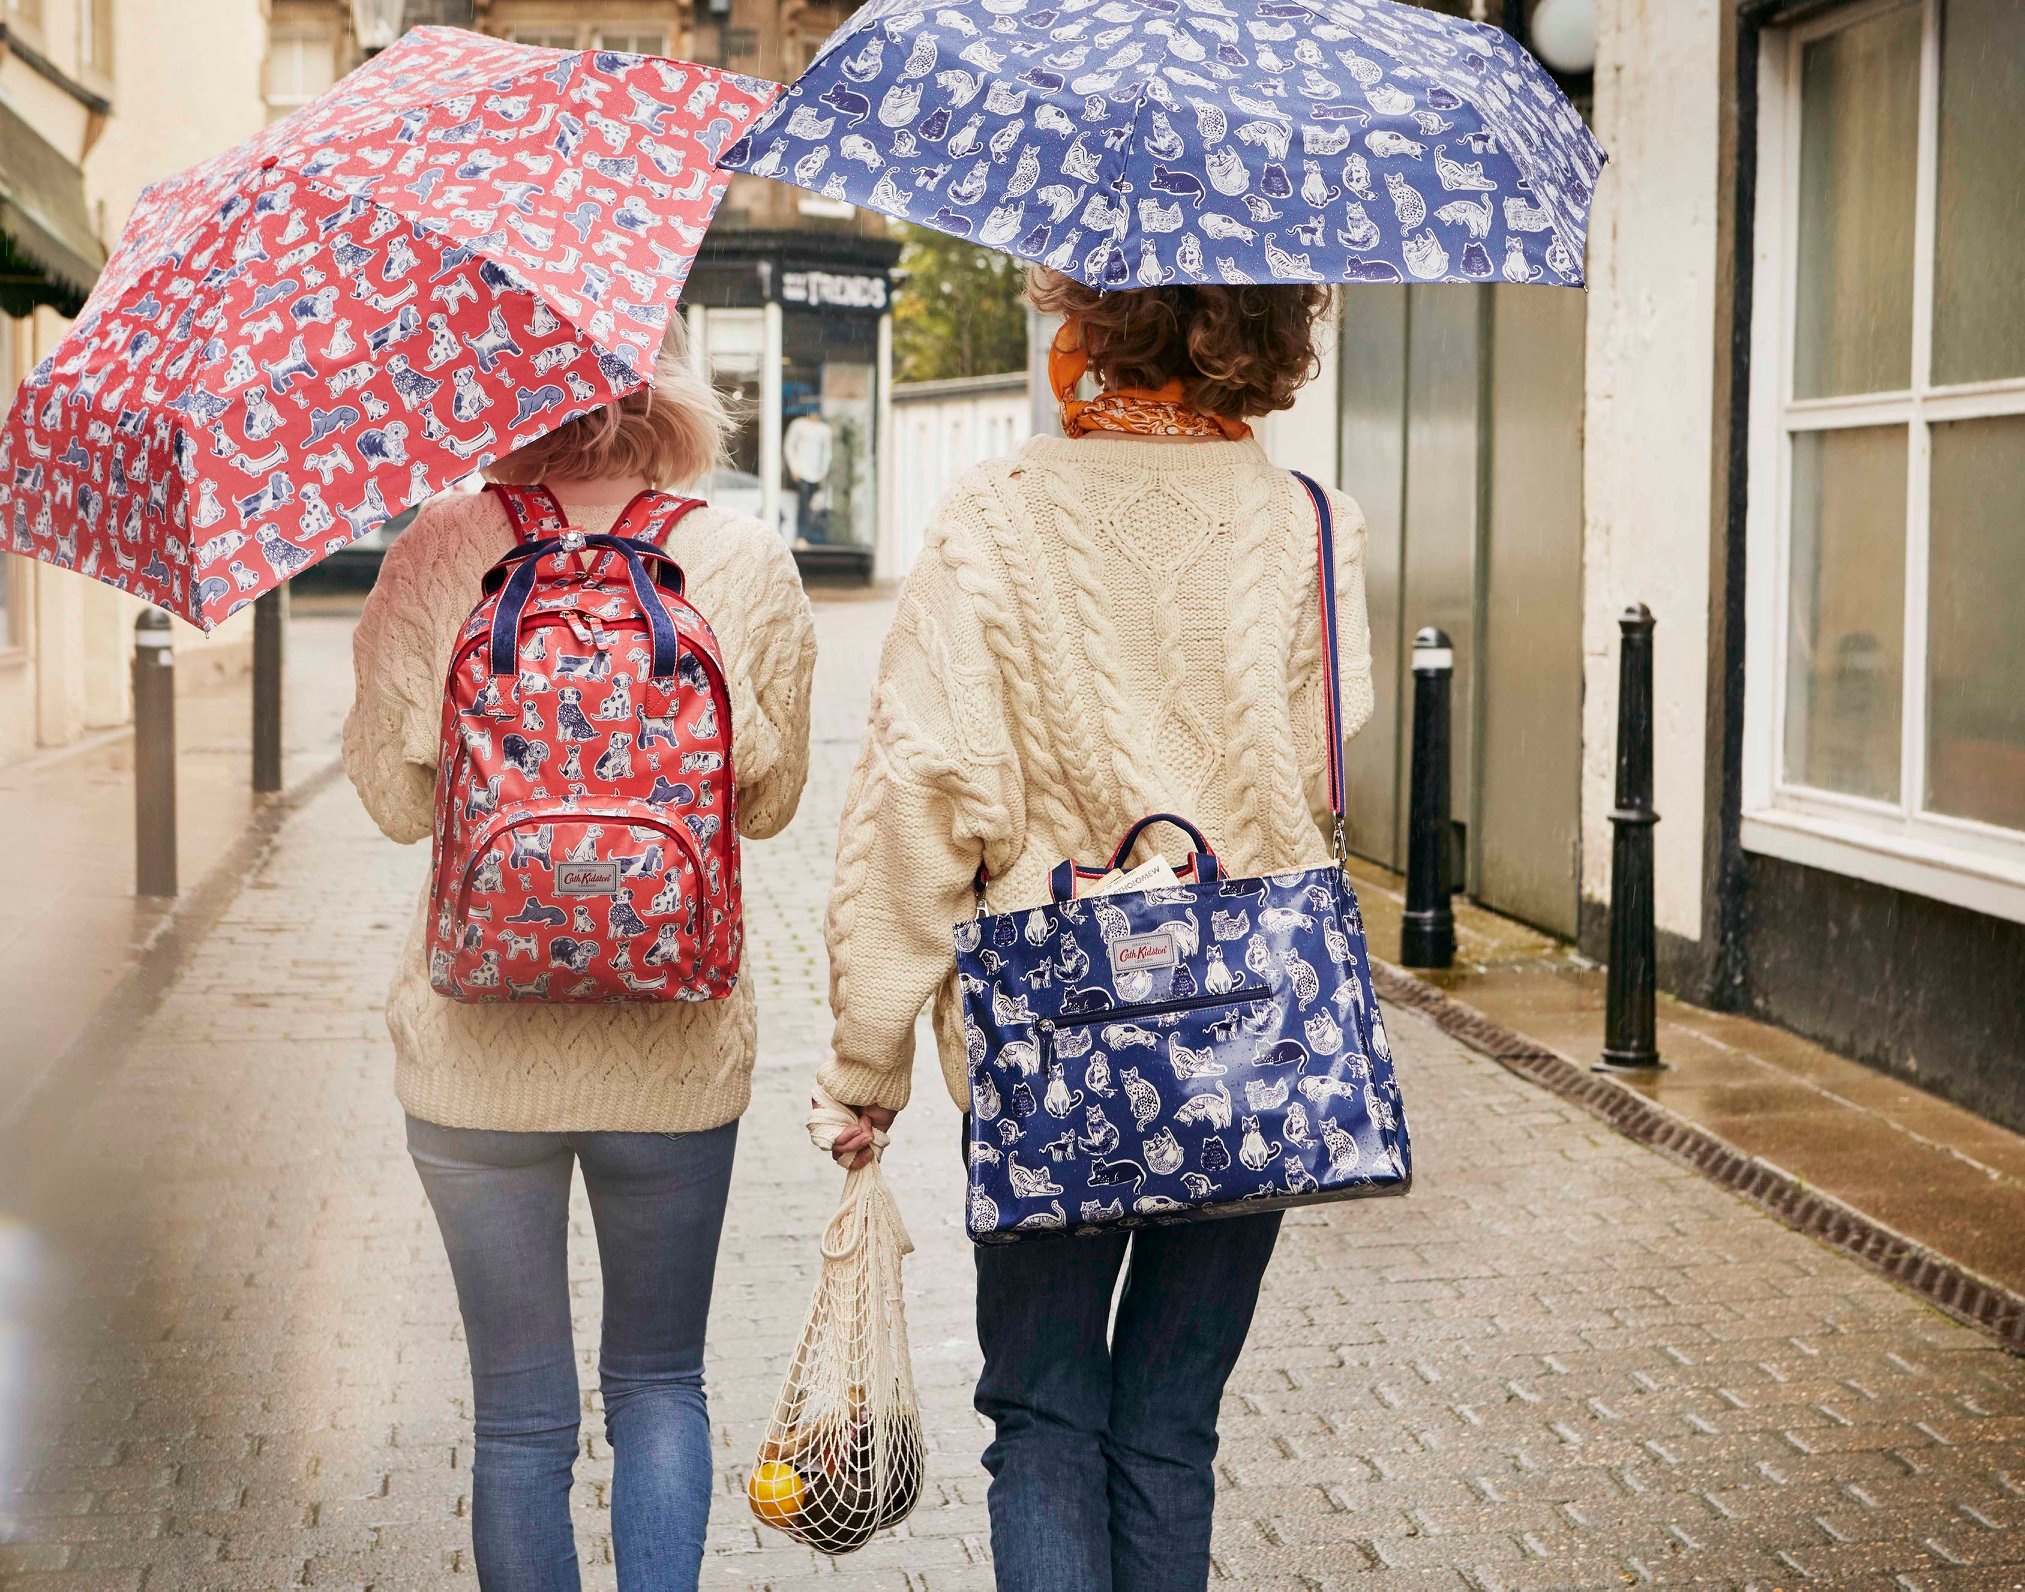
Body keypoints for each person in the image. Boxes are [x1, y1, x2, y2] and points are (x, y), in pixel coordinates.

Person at [818, 270, 1374, 1592]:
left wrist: (866, 1061)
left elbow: (917, 798)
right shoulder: (1309, 521)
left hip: (1051, 1032)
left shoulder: (995, 518)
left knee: (1047, 1419)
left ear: (1098, 328)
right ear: (1266, 331)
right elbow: (1313, 763)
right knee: (1171, 1428)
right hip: (1252, 1034)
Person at [343, 321, 816, 1592]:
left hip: (470, 1056)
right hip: (673, 1053)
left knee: (519, 1417)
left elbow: (393, 804)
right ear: (670, 387)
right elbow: (766, 806)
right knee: (660, 1382)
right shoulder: (740, 553)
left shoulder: (439, 546)